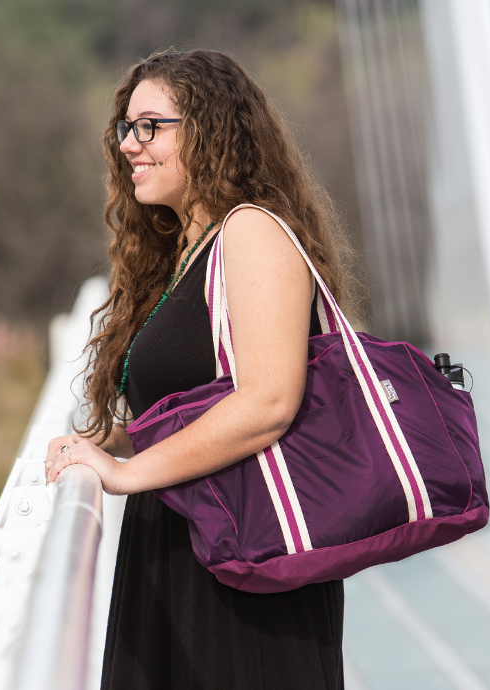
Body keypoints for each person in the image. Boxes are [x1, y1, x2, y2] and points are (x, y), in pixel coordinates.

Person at [45, 48, 361, 690]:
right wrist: (110, 441)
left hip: (245, 571)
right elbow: (194, 400)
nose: (131, 144)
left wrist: (126, 471)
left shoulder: (253, 233)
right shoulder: (183, 251)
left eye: (151, 126)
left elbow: (268, 402)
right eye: (126, 128)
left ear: (212, 131)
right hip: (187, 547)